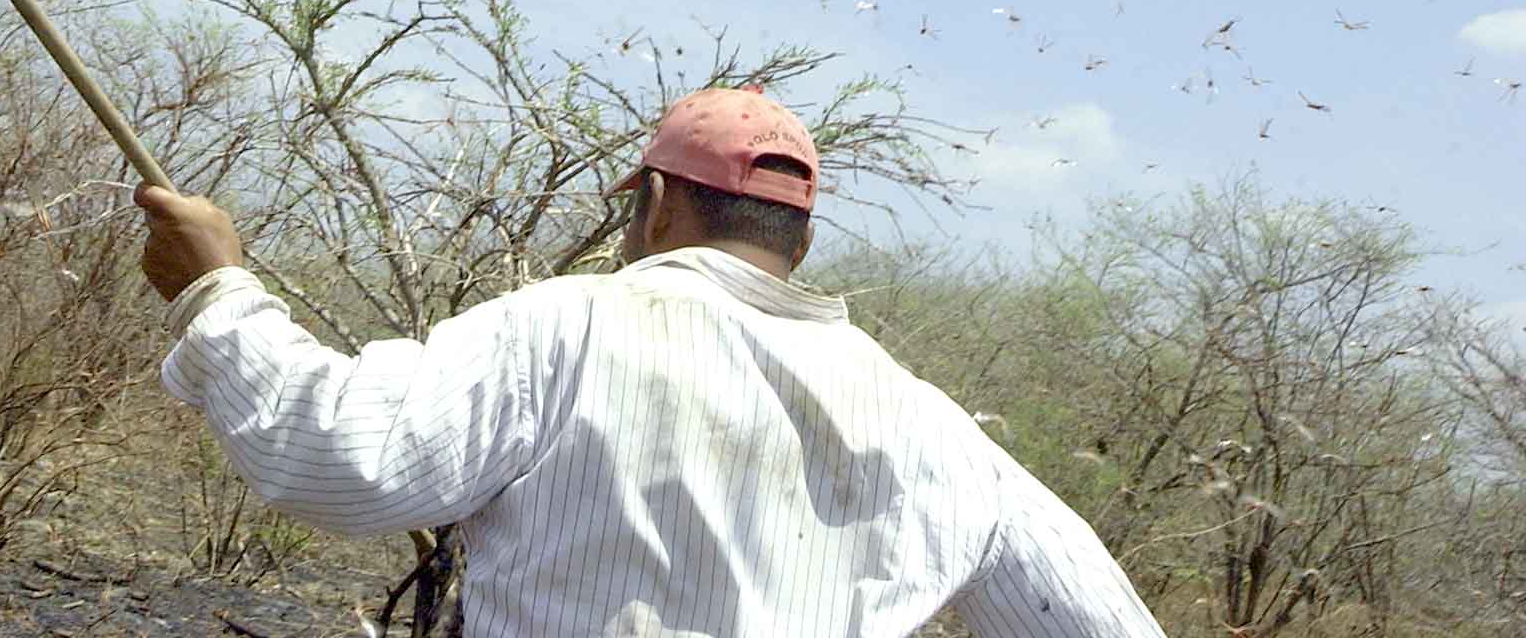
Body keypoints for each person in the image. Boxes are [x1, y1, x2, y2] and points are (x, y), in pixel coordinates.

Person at [136, 85, 1167, 636]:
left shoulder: (568, 326)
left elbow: (342, 458)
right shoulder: (941, 432)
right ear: (798, 244)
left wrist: (216, 288)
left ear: (655, 204)